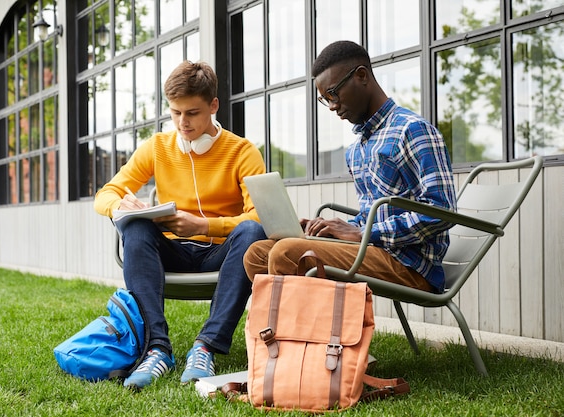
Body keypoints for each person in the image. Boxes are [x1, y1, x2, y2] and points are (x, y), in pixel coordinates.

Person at [94, 61, 266, 390]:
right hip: (172, 250)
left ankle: (206, 346)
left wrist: (203, 225)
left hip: (221, 253)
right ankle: (157, 349)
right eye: (175, 113)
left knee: (252, 233)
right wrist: (122, 205)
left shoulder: (242, 152)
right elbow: (104, 194)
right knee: (135, 227)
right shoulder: (157, 147)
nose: (182, 123)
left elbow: (259, 217)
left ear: (213, 106)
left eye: (192, 113)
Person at [243, 40, 457, 294]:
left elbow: (442, 211)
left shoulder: (412, 129)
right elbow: (369, 218)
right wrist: (331, 229)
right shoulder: (356, 149)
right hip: (372, 249)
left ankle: (296, 334)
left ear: (362, 76)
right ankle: (302, 331)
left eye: (333, 94)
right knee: (257, 254)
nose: (332, 106)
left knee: (287, 253)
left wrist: (363, 234)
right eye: (325, 99)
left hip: (410, 264)